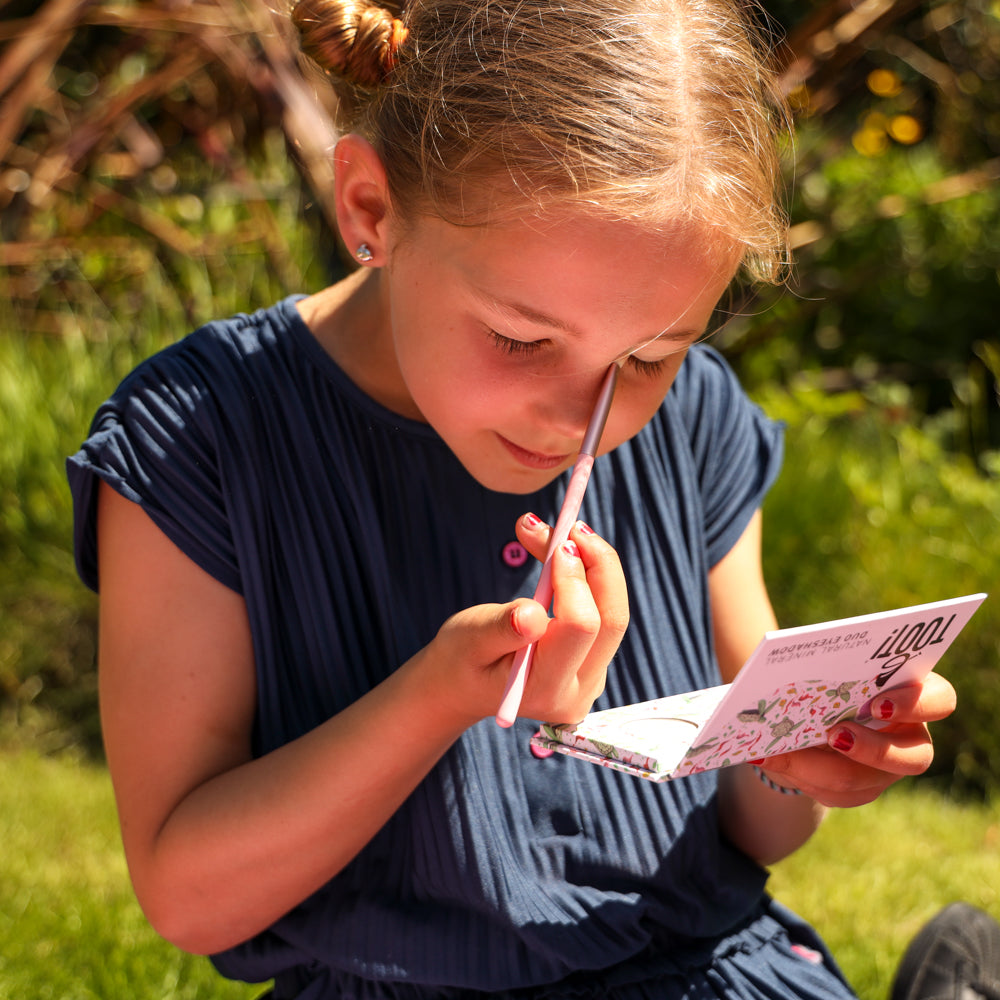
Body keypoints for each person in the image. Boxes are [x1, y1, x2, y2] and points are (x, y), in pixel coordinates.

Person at [66, 0, 960, 997]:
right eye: (521, 340)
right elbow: (189, 896)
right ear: (370, 211)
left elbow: (763, 826)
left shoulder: (694, 415)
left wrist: (806, 755)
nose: (582, 414)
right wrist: (440, 695)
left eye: (649, 355)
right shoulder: (201, 436)